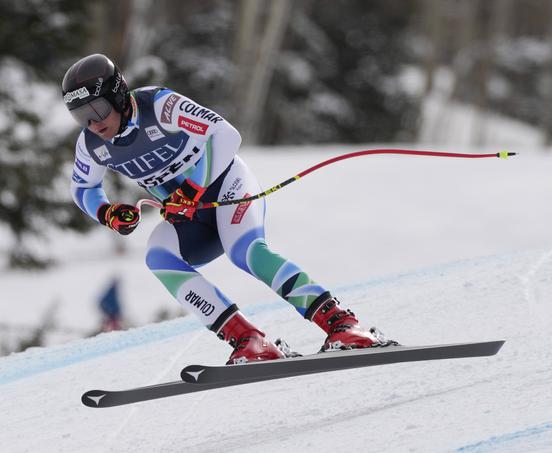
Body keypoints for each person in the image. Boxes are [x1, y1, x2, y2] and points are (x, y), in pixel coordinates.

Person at [62, 54, 393, 364]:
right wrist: (107, 213)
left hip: (227, 187)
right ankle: (248, 340)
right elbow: (83, 188)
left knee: (245, 252)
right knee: (158, 256)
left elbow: (225, 134)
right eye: (81, 116)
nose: (93, 124)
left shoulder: (160, 104)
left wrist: (192, 188)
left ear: (119, 95)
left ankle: (342, 323)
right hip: (189, 215)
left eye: (98, 109)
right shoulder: (91, 145)